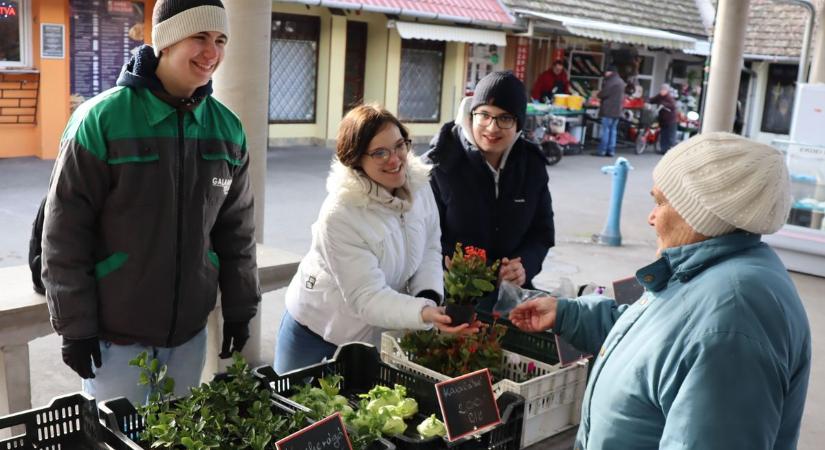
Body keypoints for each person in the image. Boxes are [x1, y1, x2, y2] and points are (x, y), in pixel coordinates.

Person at [510, 132, 811, 449]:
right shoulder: (709, 271)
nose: (651, 217)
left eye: (660, 202)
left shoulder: (735, 315)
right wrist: (568, 314)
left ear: (700, 212)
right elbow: (658, 346)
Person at [41, 0, 260, 404]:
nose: (212, 52)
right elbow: (64, 235)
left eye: (220, 40)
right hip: (114, 338)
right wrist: (76, 327)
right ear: (166, 41)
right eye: (199, 37)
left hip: (189, 336)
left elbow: (236, 233)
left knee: (178, 436)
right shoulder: (101, 120)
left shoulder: (227, 130)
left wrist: (240, 307)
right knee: (120, 438)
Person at [274, 104, 473, 374]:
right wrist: (423, 313)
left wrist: (427, 297)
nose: (395, 159)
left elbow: (429, 246)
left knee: (357, 408)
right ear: (356, 160)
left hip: (372, 333)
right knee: (293, 406)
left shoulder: (420, 185)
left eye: (399, 145)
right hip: (314, 327)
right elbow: (367, 298)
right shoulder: (341, 214)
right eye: (379, 153)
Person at [426, 71, 555, 303]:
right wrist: (483, 272)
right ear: (471, 114)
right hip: (450, 297)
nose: (492, 128)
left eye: (504, 118)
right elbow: (426, 241)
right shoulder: (440, 165)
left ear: (518, 124)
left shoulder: (532, 166)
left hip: (512, 297)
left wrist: (525, 265)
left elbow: (542, 232)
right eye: (484, 115)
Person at [594, 65, 626, 157]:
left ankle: (602, 150)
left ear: (610, 72)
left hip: (608, 110)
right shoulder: (621, 81)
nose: (605, 74)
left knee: (606, 130)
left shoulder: (611, 81)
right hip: (617, 111)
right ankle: (611, 150)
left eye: (606, 72)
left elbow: (603, 94)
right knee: (613, 131)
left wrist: (598, 94)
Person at [648, 83, 678, 153]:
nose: (662, 91)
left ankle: (670, 151)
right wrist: (648, 101)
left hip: (670, 120)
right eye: (661, 89)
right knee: (663, 135)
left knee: (670, 136)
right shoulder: (659, 96)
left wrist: (664, 104)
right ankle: (663, 150)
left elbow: (673, 105)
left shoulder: (669, 97)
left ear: (667, 91)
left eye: (664, 90)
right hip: (662, 120)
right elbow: (653, 100)